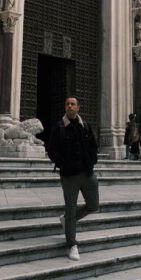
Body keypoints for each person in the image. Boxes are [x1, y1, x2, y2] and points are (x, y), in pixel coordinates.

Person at [46, 96, 99, 261]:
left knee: (93, 205)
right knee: (70, 209)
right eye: (67, 104)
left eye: (72, 104)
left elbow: (93, 146)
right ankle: (72, 244)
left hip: (87, 173)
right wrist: (64, 163)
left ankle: (68, 220)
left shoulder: (85, 126)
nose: (69, 106)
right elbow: (51, 149)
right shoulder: (59, 127)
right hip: (69, 176)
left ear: (78, 108)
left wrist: (92, 161)